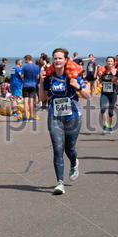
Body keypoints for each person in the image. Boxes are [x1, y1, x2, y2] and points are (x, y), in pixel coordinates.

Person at [39, 48, 91, 195]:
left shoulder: (72, 76)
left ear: (66, 60)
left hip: (73, 117)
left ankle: (74, 162)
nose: (57, 61)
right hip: (54, 116)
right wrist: (41, 82)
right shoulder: (49, 77)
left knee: (70, 149)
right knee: (57, 148)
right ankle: (60, 182)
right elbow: (43, 98)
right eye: (55, 58)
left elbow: (88, 95)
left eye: (60, 58)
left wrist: (78, 86)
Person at [98, 57, 118, 134]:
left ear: (113, 63)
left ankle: (110, 126)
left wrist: (114, 76)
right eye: (108, 61)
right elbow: (100, 81)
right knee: (102, 109)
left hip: (113, 93)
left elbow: (117, 83)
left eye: (111, 61)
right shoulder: (103, 71)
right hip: (104, 93)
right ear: (106, 62)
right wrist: (99, 76)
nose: (109, 62)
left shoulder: (116, 71)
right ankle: (105, 125)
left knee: (110, 112)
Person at [21, 55, 40, 121]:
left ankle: (26, 117)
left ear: (26, 59)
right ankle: (31, 117)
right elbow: (38, 77)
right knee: (31, 101)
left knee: (26, 101)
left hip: (26, 85)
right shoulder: (36, 67)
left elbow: (22, 76)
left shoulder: (24, 66)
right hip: (33, 85)